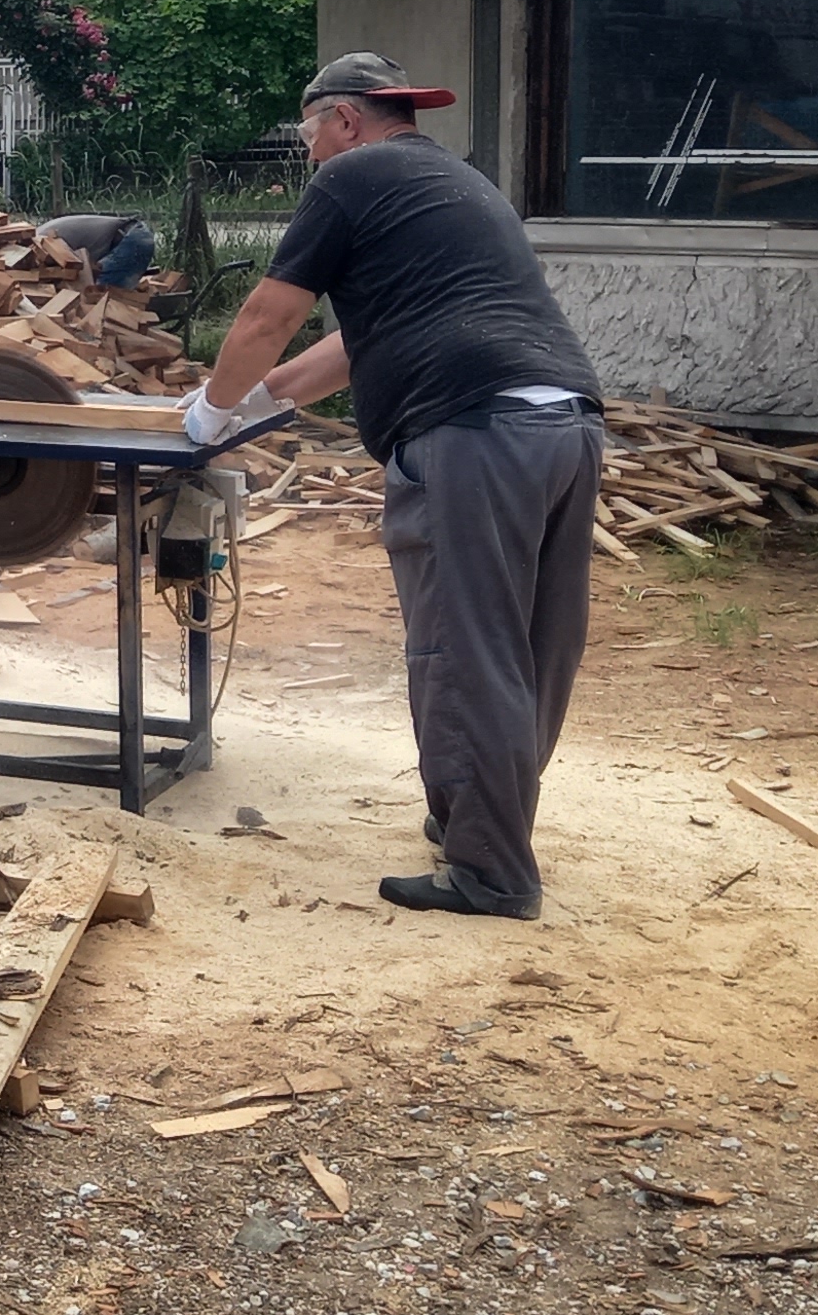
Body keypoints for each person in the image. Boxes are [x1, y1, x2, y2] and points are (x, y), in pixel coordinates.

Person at [182, 53, 603, 920]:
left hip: (473, 434)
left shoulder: (354, 176)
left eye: (308, 136)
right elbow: (356, 344)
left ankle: (491, 873)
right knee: (534, 643)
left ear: (343, 121)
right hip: (565, 422)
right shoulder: (451, 181)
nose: (308, 156)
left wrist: (203, 418)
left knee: (462, 649)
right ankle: (477, 821)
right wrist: (258, 401)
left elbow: (269, 314)